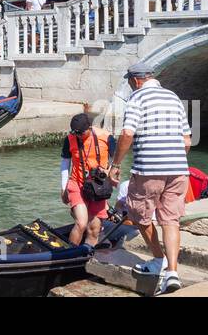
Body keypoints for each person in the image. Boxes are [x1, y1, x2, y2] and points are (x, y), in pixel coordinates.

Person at [108, 61, 191, 295]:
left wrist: (115, 164)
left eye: (129, 82)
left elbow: (127, 133)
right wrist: (173, 158)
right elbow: (186, 140)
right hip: (178, 169)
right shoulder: (173, 97)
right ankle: (172, 272)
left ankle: (158, 260)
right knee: (171, 220)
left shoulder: (137, 99)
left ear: (135, 81)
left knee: (140, 215)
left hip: (148, 170)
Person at [61, 112, 111, 248]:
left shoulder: (106, 137)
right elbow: (65, 163)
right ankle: (69, 254)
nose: (78, 136)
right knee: (81, 223)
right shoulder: (70, 138)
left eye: (81, 134)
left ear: (89, 128)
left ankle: (87, 255)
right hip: (77, 183)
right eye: (75, 133)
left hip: (98, 186)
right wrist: (63, 187)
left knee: (94, 228)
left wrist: (109, 170)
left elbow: (116, 159)